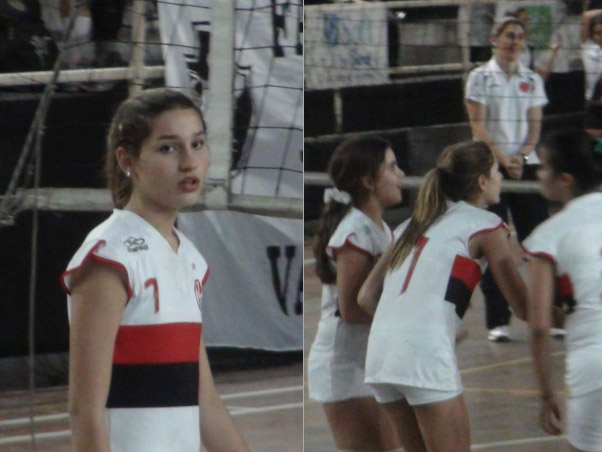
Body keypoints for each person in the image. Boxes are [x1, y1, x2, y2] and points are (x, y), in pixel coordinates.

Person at [60, 88, 250, 452]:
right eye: (168, 148)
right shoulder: (110, 256)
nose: (189, 163)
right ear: (127, 160)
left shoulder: (188, 257)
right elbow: (85, 410)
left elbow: (206, 403)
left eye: (197, 144)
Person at [359, 140, 529, 452]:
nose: (500, 178)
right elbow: (524, 308)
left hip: (380, 355)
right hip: (423, 354)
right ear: (482, 182)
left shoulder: (409, 225)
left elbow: (367, 297)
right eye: (496, 171)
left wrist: (406, 325)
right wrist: (569, 310)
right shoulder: (486, 225)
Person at [307, 136, 408, 452]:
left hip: (370, 359)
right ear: (368, 181)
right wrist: (407, 326)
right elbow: (351, 309)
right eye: (392, 167)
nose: (401, 174)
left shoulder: (380, 229)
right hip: (346, 363)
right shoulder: (355, 231)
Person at [465, 15, 550, 342]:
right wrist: (502, 160)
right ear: (494, 38)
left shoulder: (531, 78)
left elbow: (535, 125)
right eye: (509, 35)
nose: (515, 42)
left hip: (525, 165)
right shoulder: (479, 77)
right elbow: (477, 125)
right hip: (490, 167)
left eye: (519, 37)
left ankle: (550, 313)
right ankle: (497, 320)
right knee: (494, 245)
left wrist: (523, 157)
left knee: (538, 243)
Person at [523, 129, 602, 452]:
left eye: (543, 167)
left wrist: (546, 395)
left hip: (592, 365)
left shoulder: (550, 233)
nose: (538, 174)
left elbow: (539, 326)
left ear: (565, 179)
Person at [505, 7, 562, 82]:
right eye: (524, 21)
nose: (528, 25)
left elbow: (541, 78)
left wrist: (554, 52)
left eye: (528, 20)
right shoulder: (508, 50)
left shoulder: (528, 50)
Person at [581, 9, 602, 137]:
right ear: (592, 35)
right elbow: (585, 16)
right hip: (593, 104)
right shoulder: (588, 48)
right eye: (598, 33)